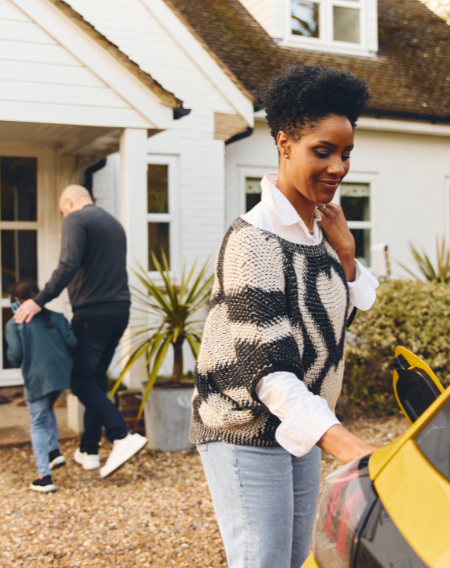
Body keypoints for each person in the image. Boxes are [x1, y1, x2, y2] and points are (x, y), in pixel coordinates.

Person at [190, 65, 380, 568]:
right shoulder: (252, 240)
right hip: (245, 425)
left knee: (293, 560)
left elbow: (330, 335)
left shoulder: (319, 233)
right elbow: (270, 368)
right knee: (264, 560)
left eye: (346, 154)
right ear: (284, 143)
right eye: (323, 151)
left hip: (300, 425)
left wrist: (345, 255)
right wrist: (348, 445)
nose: (338, 167)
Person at [14, 185, 147, 478]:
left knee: (81, 379)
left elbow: (68, 264)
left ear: (69, 202)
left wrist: (38, 301)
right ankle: (89, 450)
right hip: (119, 310)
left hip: (93, 314)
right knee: (97, 379)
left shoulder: (75, 219)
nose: (64, 216)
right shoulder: (113, 223)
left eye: (63, 210)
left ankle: (122, 435)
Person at [6, 279, 76, 493]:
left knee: (37, 423)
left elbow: (15, 357)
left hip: (37, 378)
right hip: (60, 377)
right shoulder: (57, 317)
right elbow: (73, 343)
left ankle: (44, 477)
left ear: (17, 301)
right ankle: (54, 452)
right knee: (47, 410)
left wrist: (11, 357)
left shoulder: (14, 324)